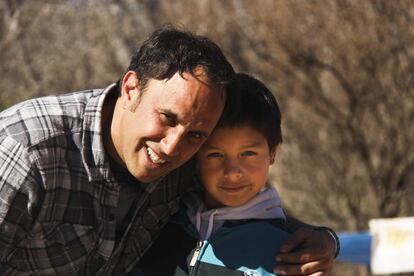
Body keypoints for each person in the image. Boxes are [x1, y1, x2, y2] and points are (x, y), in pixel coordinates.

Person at [0, 26, 337, 275]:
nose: (172, 146)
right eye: (167, 118)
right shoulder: (26, 152)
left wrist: (322, 241)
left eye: (197, 134)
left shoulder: (188, 161)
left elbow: (240, 206)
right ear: (131, 88)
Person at [134, 73, 337, 276]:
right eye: (215, 155)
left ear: (272, 153)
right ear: (196, 155)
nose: (232, 172)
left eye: (248, 153)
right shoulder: (161, 219)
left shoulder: (291, 254)